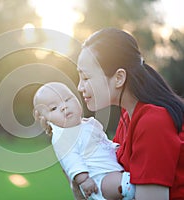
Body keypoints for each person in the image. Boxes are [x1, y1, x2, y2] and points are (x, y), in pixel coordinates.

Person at [75, 28, 184, 199]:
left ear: (119, 78)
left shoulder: (153, 122)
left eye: (86, 78)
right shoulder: (128, 117)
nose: (80, 87)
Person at [33, 82, 135, 200]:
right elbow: (71, 160)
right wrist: (84, 180)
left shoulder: (89, 124)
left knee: (129, 183)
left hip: (113, 171)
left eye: (67, 99)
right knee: (133, 183)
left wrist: (115, 147)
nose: (64, 107)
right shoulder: (62, 137)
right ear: (46, 119)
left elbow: (103, 142)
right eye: (53, 108)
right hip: (97, 180)